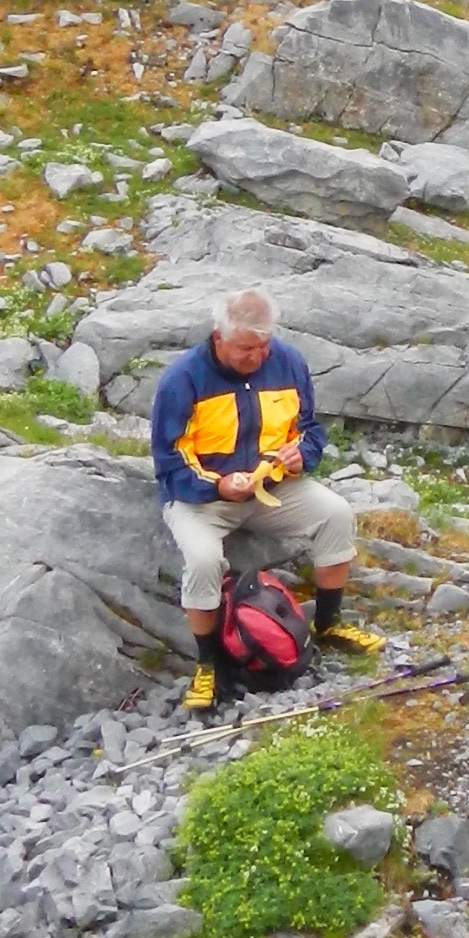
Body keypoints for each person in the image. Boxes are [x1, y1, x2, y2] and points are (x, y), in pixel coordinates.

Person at [148, 285, 372, 709]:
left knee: (337, 514)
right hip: (203, 500)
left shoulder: (288, 362)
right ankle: (209, 665)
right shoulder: (182, 379)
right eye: (246, 348)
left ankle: (328, 625)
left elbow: (309, 430)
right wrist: (218, 486)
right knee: (203, 560)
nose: (258, 356)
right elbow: (169, 458)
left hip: (271, 488)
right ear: (219, 337)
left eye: (264, 345)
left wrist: (300, 456)